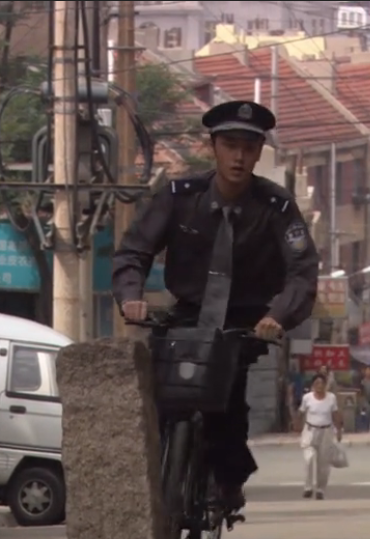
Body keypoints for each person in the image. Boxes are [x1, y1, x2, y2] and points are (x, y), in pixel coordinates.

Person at [111, 100, 320, 510]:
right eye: (230, 145)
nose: (238, 156)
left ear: (259, 151)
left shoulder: (276, 207)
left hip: (244, 324)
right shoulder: (178, 196)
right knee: (156, 405)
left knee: (228, 415)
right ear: (214, 147)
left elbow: (303, 271)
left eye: (248, 146)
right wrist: (132, 296)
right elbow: (134, 251)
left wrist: (277, 316)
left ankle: (227, 482)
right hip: (185, 317)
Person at [299, 374, 343, 500]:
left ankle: (320, 489)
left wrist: (339, 430)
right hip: (310, 430)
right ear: (313, 385)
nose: (320, 386)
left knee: (323, 463)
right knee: (309, 458)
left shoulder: (331, 398)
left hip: (326, 431)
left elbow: (335, 414)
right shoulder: (307, 398)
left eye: (322, 383)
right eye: (317, 383)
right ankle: (308, 487)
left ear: (325, 385)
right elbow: (301, 412)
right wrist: (296, 424)